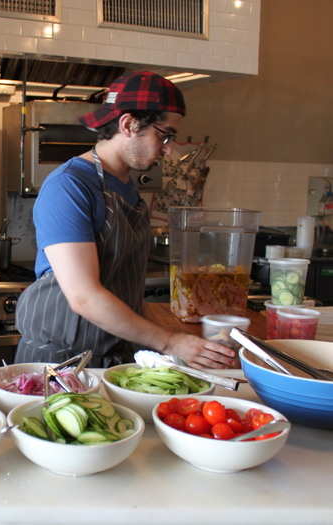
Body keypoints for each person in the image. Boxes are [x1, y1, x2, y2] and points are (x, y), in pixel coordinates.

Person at [14, 70, 235, 370]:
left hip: (114, 357)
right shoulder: (69, 186)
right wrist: (169, 341)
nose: (168, 148)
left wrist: (180, 331)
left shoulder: (128, 189)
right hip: (59, 363)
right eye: (164, 134)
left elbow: (122, 287)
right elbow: (84, 297)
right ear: (129, 124)